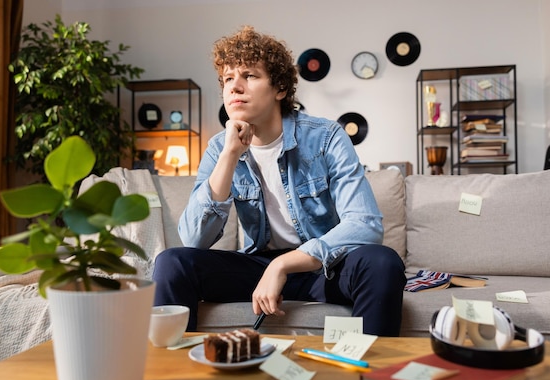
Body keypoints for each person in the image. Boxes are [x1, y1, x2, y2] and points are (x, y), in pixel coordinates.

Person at [152, 26, 406, 336]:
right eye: (229, 78)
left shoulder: (325, 137)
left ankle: (371, 374)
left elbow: (365, 225)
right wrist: (231, 154)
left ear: (280, 88)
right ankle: (178, 375)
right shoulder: (220, 146)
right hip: (257, 267)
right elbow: (193, 240)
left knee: (382, 263)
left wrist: (282, 265)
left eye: (250, 76)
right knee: (171, 263)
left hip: (321, 267)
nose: (235, 87)